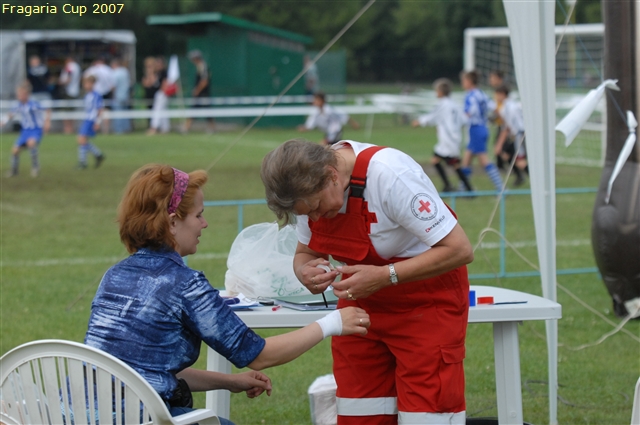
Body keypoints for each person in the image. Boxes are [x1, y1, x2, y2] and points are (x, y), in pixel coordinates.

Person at [85, 163, 370, 424]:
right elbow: (259, 355)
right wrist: (333, 323)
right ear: (172, 223)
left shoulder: (113, 276)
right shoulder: (184, 284)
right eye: (199, 215)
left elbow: (148, 371)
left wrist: (230, 381)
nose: (204, 224)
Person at [261, 139, 474, 424]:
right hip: (359, 313)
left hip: (426, 307)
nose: (314, 217)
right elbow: (306, 253)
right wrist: (304, 271)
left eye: (316, 207)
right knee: (360, 413)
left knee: (428, 413)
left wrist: (387, 276)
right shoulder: (306, 194)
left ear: (331, 175)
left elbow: (460, 249)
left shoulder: (390, 174)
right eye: (306, 214)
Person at [412, 78, 472, 193]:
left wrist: (419, 122)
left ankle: (465, 189)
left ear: (440, 91)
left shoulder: (443, 104)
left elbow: (432, 116)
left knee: (451, 163)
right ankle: (453, 186)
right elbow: (464, 120)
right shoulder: (454, 104)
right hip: (454, 138)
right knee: (439, 161)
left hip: (448, 140)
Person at [459, 70, 503, 193]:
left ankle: (501, 188)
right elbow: (494, 108)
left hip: (476, 129)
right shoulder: (482, 94)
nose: (462, 83)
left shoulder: (471, 96)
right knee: (466, 160)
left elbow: (470, 112)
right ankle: (463, 189)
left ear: (469, 81)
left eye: (463, 81)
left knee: (484, 160)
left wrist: (459, 121)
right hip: (482, 127)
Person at [2, 82, 51, 178]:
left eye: (21, 94)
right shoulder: (19, 105)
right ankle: (14, 171)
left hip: (35, 130)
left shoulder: (33, 104)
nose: (19, 96)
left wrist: (47, 122)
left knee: (31, 143)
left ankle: (35, 167)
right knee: (15, 150)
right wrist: (3, 121)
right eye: (18, 94)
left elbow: (47, 110)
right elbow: (10, 114)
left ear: (26, 94)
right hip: (25, 131)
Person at [493, 85, 528, 187]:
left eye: (497, 95)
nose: (496, 98)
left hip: (519, 134)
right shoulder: (514, 104)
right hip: (519, 134)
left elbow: (506, 128)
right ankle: (519, 176)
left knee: (520, 161)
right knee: (506, 154)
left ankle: (539, 180)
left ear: (502, 94)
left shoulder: (505, 108)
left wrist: (499, 144)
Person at [76, 76, 105, 170]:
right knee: (82, 140)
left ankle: (83, 162)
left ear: (92, 84)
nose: (86, 85)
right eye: (85, 84)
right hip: (87, 119)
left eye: (88, 83)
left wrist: (97, 122)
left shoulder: (96, 95)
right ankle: (98, 155)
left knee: (81, 139)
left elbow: (100, 109)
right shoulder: (87, 95)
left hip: (91, 120)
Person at [183, 49, 215, 134]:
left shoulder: (203, 67)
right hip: (201, 94)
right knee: (199, 110)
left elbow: (204, 81)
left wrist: (197, 90)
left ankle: (186, 128)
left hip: (203, 94)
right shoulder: (200, 67)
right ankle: (186, 127)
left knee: (203, 110)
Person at [84, 56, 115, 133]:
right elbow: (113, 84)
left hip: (95, 92)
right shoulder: (108, 69)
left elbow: (85, 77)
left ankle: (97, 127)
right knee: (106, 112)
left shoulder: (92, 69)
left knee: (95, 110)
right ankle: (106, 130)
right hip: (106, 93)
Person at [488, 70, 507, 171]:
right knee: (499, 145)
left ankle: (514, 167)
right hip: (500, 123)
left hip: (505, 124)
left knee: (500, 146)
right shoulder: (496, 91)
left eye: (493, 78)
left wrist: (496, 115)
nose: (490, 80)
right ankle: (501, 166)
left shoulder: (502, 91)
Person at [58, 55, 82, 134]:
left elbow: (69, 76)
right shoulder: (77, 67)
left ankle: (67, 129)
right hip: (75, 91)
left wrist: (61, 82)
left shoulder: (70, 66)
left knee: (65, 111)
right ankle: (71, 128)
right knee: (72, 111)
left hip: (68, 92)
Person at [110, 57, 131, 134]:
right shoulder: (125, 71)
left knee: (118, 114)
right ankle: (127, 129)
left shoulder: (115, 73)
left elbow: (113, 86)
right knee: (125, 114)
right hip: (126, 96)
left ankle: (119, 130)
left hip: (118, 96)